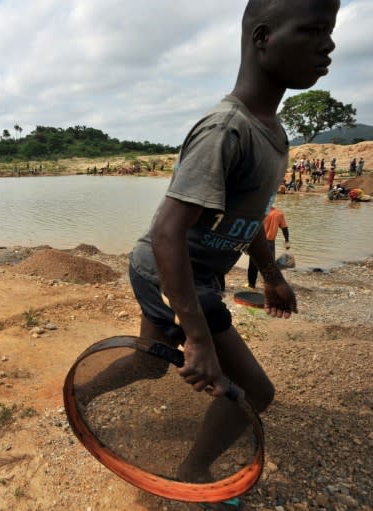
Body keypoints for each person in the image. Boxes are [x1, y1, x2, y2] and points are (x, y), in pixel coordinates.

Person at [87, 1, 337, 502]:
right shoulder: (226, 129)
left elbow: (249, 217)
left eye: (330, 32)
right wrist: (198, 336)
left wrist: (271, 274)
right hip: (171, 272)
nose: (328, 46)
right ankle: (193, 473)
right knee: (257, 393)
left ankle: (78, 395)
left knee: (150, 361)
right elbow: (167, 233)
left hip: (170, 271)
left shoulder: (273, 132)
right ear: (263, 36)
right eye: (313, 30)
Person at [247, 206, 290, 288]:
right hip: (270, 242)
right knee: (269, 265)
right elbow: (285, 228)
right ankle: (270, 285)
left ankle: (251, 285)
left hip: (257, 241)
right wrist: (287, 241)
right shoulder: (279, 213)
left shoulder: (259, 212)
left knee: (253, 264)